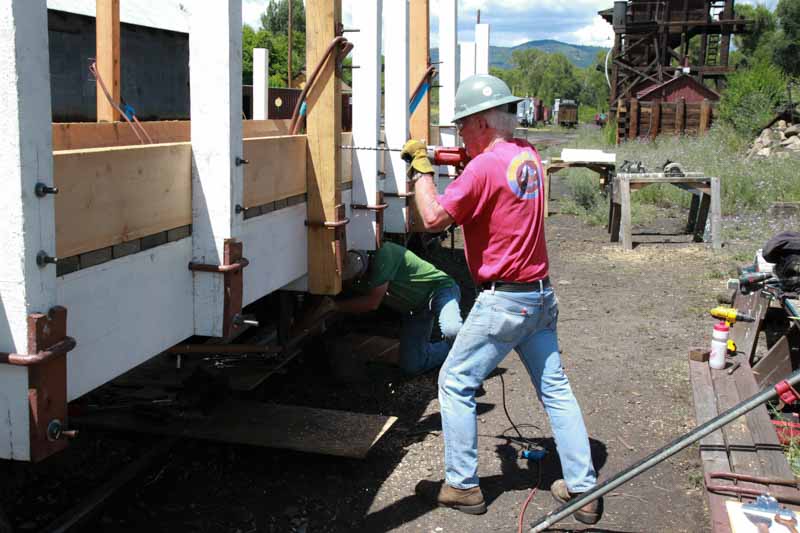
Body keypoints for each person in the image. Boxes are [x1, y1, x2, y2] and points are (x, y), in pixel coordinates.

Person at [403, 74, 601, 523]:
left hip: (504, 301)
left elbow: (433, 217)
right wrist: (456, 162)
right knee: (555, 390)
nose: (458, 136)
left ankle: (463, 486)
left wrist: (422, 170)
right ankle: (584, 490)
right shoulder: (527, 156)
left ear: (478, 123)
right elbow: (491, 181)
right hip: (540, 297)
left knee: (454, 381)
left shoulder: (483, 168)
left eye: (461, 127)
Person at [315, 242, 463, 376]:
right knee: (412, 365)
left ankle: (477, 346)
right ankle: (457, 350)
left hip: (440, 291)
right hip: (416, 310)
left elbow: (372, 303)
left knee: (452, 329)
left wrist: (333, 307)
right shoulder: (354, 273)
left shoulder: (384, 253)